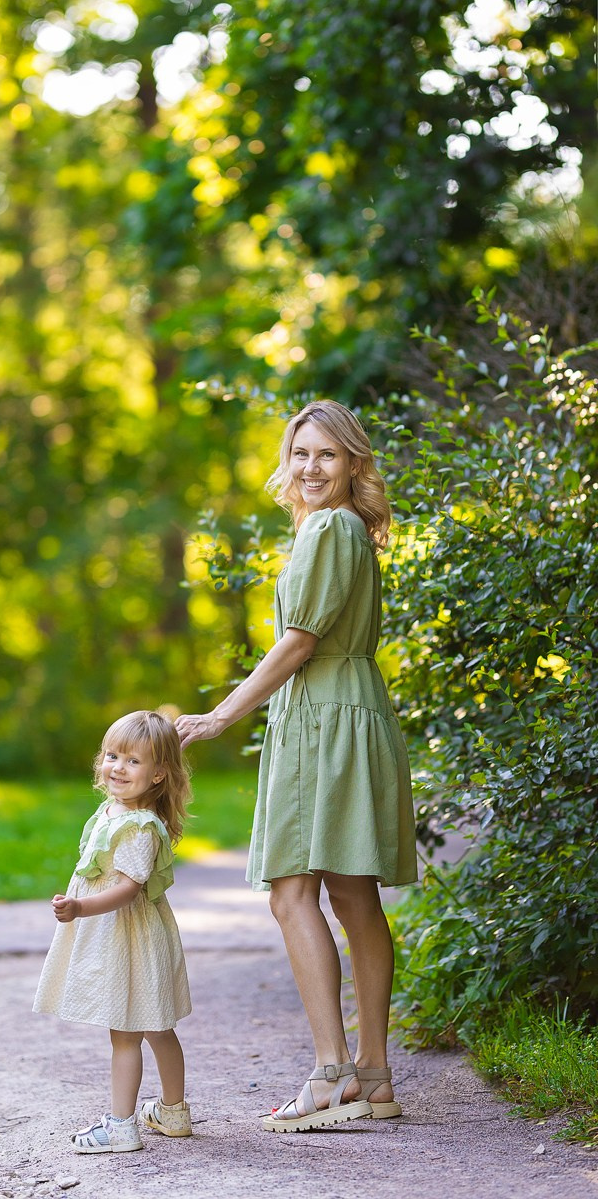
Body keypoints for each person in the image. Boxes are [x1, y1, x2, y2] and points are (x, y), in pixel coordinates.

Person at [176, 399, 417, 1133]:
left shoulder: (329, 529)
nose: (311, 467)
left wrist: (221, 715)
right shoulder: (346, 530)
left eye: (327, 454)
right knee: (353, 895)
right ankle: (372, 1075)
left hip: (323, 720)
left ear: (353, 463)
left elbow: (298, 642)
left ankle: (331, 1074)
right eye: (301, 453)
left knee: (291, 894)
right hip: (350, 710)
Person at [33, 709, 193, 1153]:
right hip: (129, 936)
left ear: (159, 774)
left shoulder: (139, 826)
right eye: (112, 756)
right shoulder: (114, 810)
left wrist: (80, 907)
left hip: (128, 938)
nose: (118, 768)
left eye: (133, 761)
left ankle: (122, 1126)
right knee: (157, 1026)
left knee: (125, 1033)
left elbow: (127, 888)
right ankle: (173, 1111)